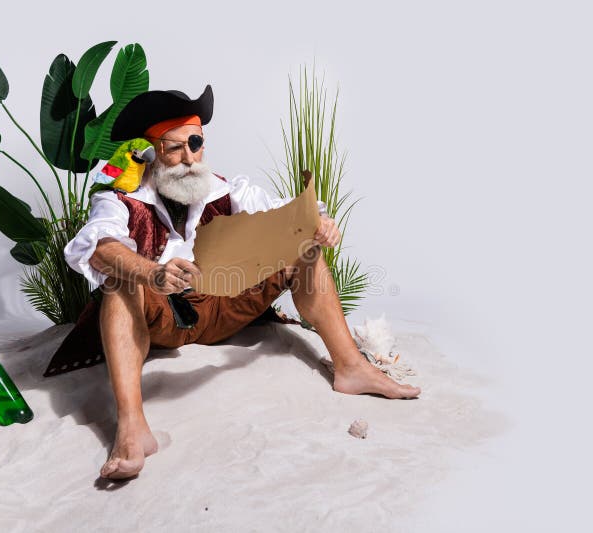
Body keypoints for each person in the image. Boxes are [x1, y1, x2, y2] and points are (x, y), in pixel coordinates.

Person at [64, 85, 420, 480]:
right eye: (174, 147)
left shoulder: (224, 188)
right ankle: (132, 426)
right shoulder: (119, 198)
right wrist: (154, 273)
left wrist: (317, 225)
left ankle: (351, 367)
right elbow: (98, 248)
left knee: (303, 246)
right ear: (149, 152)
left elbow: (284, 214)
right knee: (120, 280)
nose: (188, 158)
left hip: (226, 305)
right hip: (164, 317)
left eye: (195, 143)